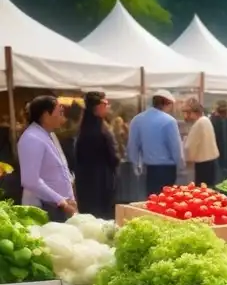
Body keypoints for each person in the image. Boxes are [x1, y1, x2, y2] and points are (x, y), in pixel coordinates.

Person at [18, 96, 77, 221]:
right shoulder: (32, 138)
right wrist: (61, 201)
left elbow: (61, 167)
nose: (63, 116)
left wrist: (70, 197)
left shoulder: (49, 134)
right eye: (59, 112)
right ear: (46, 115)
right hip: (43, 209)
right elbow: (30, 180)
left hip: (58, 208)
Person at [127, 92, 183, 196]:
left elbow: (133, 146)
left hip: (147, 169)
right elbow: (175, 148)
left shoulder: (137, 120)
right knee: (166, 201)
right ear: (168, 104)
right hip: (167, 169)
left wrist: (136, 165)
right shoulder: (169, 121)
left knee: (151, 199)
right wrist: (180, 166)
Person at [74, 91, 119, 219]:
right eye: (105, 103)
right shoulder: (100, 129)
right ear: (98, 106)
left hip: (85, 180)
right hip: (101, 179)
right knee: (101, 216)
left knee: (89, 216)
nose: (108, 106)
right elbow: (113, 156)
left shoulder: (83, 127)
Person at [182, 98, 220, 186]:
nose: (185, 116)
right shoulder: (206, 120)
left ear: (192, 112)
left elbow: (189, 147)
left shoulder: (199, 123)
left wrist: (187, 160)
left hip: (203, 164)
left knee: (202, 189)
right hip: (211, 161)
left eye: (187, 113)